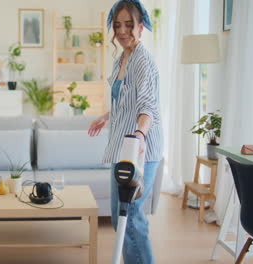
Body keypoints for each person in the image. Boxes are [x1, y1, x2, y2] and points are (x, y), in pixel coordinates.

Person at [88, 0, 163, 263]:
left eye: (129, 24)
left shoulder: (143, 61)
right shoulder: (122, 58)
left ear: (141, 26)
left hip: (141, 148)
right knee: (119, 214)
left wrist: (140, 135)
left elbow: (147, 107)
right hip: (124, 147)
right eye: (117, 25)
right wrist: (107, 115)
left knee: (129, 215)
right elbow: (127, 100)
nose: (122, 31)